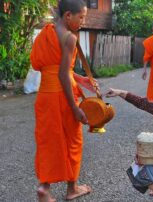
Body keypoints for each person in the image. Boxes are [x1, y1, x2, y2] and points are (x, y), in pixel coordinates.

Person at [30, 0, 94, 201]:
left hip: (45, 96)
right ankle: (72, 188)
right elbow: (63, 75)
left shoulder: (44, 33)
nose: (83, 21)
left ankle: (44, 188)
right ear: (68, 16)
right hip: (63, 97)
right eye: (81, 17)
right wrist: (75, 107)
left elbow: (56, 69)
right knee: (73, 140)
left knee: (48, 140)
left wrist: (81, 79)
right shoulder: (69, 37)